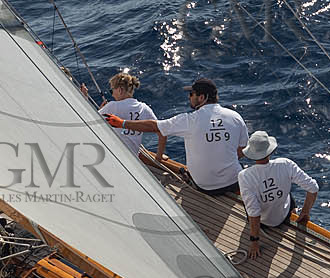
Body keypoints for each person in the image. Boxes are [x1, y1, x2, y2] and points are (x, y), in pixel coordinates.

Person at [106, 77, 247, 194]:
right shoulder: (236, 117)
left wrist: (122, 123)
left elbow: (156, 126)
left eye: (192, 94)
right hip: (234, 181)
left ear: (202, 98)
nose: (189, 97)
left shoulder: (189, 120)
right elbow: (242, 151)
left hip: (205, 186)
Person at [237, 130, 318, 260]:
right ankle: (294, 211)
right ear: (270, 150)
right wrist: (305, 212)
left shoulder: (245, 176)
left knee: (250, 202)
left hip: (264, 221)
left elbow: (254, 212)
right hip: (284, 216)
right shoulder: (285, 164)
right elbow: (313, 188)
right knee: (287, 192)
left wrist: (254, 242)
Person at [97, 71, 160, 156]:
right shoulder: (144, 108)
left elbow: (90, 121)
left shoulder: (112, 106)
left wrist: (85, 98)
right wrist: (159, 157)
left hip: (113, 155)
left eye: (112, 91)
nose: (112, 95)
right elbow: (161, 129)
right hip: (134, 158)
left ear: (120, 90)